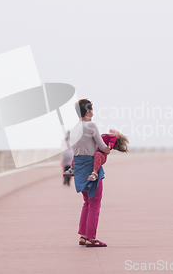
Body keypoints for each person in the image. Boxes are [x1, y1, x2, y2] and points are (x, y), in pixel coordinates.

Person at [69, 98, 109, 247]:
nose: (93, 112)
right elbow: (102, 146)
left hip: (79, 167)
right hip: (91, 166)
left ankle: (83, 235)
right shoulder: (91, 125)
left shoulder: (73, 129)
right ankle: (91, 238)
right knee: (95, 203)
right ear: (87, 111)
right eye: (91, 109)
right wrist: (109, 148)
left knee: (86, 202)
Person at [63, 129, 129, 181]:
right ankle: (72, 169)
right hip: (95, 152)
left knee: (97, 154)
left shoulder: (113, 136)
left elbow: (111, 143)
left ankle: (95, 173)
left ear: (118, 136)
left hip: (102, 156)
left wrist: (109, 147)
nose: (116, 130)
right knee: (79, 151)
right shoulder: (107, 135)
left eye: (118, 132)